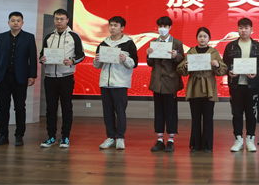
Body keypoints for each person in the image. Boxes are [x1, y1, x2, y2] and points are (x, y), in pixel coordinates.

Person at [0, 12, 38, 147]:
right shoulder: (1, 37)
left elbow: (32, 58)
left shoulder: (29, 37)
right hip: (3, 77)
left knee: (20, 107)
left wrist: (32, 75)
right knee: (3, 107)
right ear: (8, 23)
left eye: (18, 20)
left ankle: (19, 135)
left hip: (20, 78)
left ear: (22, 23)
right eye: (13, 20)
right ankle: (3, 135)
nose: (15, 23)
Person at [39, 9, 85, 148]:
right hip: (49, 77)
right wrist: (42, 59)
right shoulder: (49, 37)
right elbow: (41, 55)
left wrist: (72, 61)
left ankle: (65, 137)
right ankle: (51, 136)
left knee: (66, 108)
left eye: (61, 19)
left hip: (66, 77)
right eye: (56, 19)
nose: (59, 21)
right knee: (51, 109)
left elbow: (81, 55)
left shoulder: (74, 36)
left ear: (67, 20)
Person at [177, 27, 227, 152]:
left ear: (209, 38)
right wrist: (185, 66)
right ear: (197, 38)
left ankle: (207, 145)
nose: (202, 38)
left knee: (208, 118)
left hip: (209, 87)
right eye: (200, 36)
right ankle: (196, 144)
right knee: (195, 118)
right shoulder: (191, 51)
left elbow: (223, 70)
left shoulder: (214, 52)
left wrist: (217, 65)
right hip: (194, 87)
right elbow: (181, 70)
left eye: (205, 36)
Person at [222, 17, 259, 153]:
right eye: (241, 28)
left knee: (251, 113)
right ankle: (238, 139)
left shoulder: (258, 46)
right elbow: (225, 64)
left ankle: (250, 139)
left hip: (252, 85)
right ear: (238, 29)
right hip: (236, 85)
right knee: (236, 113)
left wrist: (256, 72)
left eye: (246, 28)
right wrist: (229, 72)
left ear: (251, 30)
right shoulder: (230, 46)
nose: (243, 30)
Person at [93, 16, 138, 150]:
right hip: (105, 83)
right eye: (111, 25)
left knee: (120, 111)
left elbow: (134, 63)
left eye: (115, 25)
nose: (112, 28)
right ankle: (110, 137)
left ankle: (120, 138)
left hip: (120, 83)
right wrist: (97, 59)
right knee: (107, 112)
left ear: (122, 28)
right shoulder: (103, 43)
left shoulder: (128, 43)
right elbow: (97, 65)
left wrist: (125, 59)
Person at [146, 16, 184, 152]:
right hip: (157, 82)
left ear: (170, 27)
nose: (162, 28)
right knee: (159, 111)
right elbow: (150, 63)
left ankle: (171, 140)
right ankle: (160, 140)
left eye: (165, 26)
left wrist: (176, 56)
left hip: (171, 82)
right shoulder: (153, 43)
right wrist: (148, 55)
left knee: (171, 111)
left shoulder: (177, 43)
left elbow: (182, 61)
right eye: (160, 26)